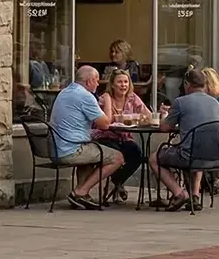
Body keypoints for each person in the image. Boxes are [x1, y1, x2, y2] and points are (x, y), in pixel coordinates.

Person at [149, 69, 219, 211]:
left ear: (186, 84)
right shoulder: (215, 103)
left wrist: (165, 115)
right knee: (196, 148)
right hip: (216, 157)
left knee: (154, 158)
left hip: (189, 156)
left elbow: (165, 127)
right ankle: (194, 197)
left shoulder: (181, 102)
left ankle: (180, 193)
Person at [48, 65, 124, 210]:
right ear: (89, 81)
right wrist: (108, 101)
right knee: (118, 158)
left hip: (56, 148)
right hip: (70, 150)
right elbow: (105, 124)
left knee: (90, 153)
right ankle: (80, 191)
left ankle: (81, 195)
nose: (98, 84)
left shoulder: (65, 92)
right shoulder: (85, 96)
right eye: (96, 80)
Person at [95, 69, 150, 202]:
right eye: (119, 82)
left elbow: (147, 115)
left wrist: (139, 118)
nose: (123, 85)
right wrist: (108, 101)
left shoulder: (132, 98)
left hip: (124, 137)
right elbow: (105, 122)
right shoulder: (104, 99)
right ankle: (117, 185)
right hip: (105, 136)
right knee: (117, 153)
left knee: (137, 154)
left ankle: (116, 181)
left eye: (126, 82)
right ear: (112, 84)